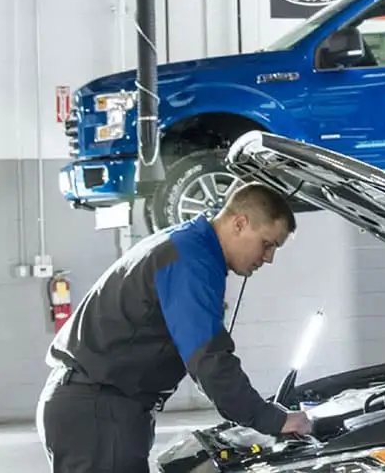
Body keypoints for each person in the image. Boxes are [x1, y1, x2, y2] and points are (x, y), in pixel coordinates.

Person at [37, 180, 312, 471]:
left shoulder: (187, 245)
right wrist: (272, 419)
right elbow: (208, 359)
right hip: (98, 409)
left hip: (100, 406)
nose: (268, 258)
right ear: (240, 223)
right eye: (267, 244)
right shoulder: (192, 261)